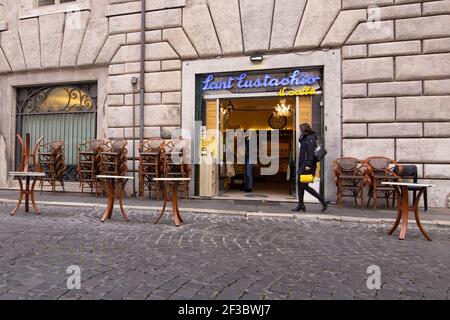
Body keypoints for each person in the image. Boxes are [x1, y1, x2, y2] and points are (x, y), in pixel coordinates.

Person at [292, 123, 328, 212]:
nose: (300, 131)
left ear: (304, 129)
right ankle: (301, 204)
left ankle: (322, 200)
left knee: (304, 185)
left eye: (300, 129)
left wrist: (308, 165)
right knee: (300, 185)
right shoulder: (306, 138)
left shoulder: (311, 138)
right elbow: (301, 143)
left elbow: (311, 153)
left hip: (307, 166)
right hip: (303, 165)